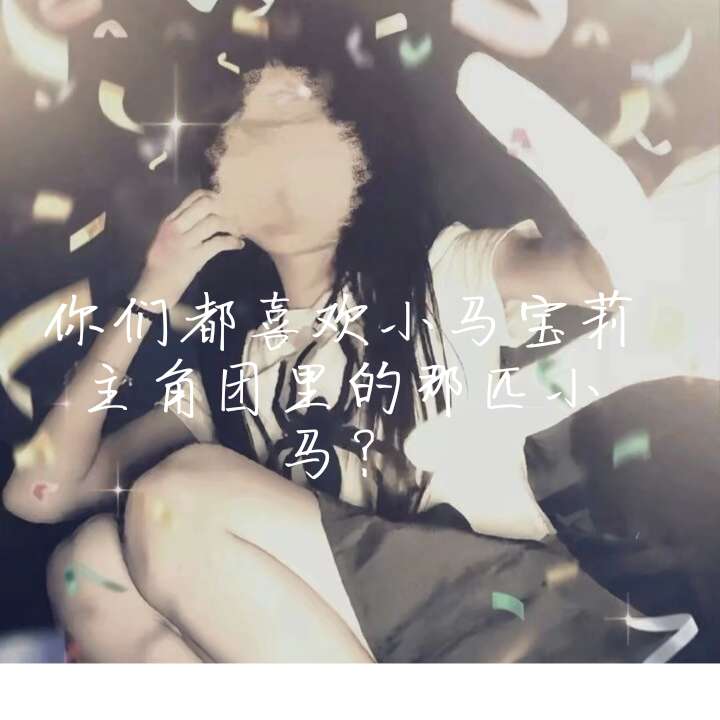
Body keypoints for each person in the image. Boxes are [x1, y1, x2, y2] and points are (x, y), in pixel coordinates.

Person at [0, 64, 680, 662]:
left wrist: (573, 164)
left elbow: (603, 272)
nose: (268, 141)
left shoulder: (448, 269)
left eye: (295, 110)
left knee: (170, 502)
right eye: (243, 124)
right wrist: (149, 296)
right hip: (352, 655)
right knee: (87, 567)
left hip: (495, 625)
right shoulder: (230, 366)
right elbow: (41, 492)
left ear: (360, 153)